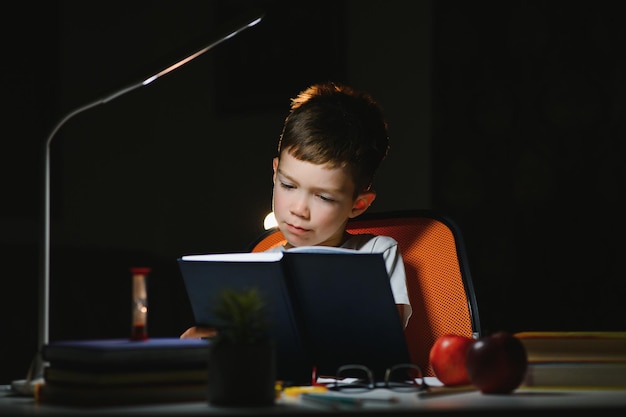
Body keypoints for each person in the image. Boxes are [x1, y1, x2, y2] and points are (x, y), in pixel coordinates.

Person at [180, 81, 411, 338]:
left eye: (323, 197)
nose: (299, 209)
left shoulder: (377, 254)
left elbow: (384, 341)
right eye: (289, 185)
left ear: (358, 205)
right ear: (275, 172)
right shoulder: (261, 266)